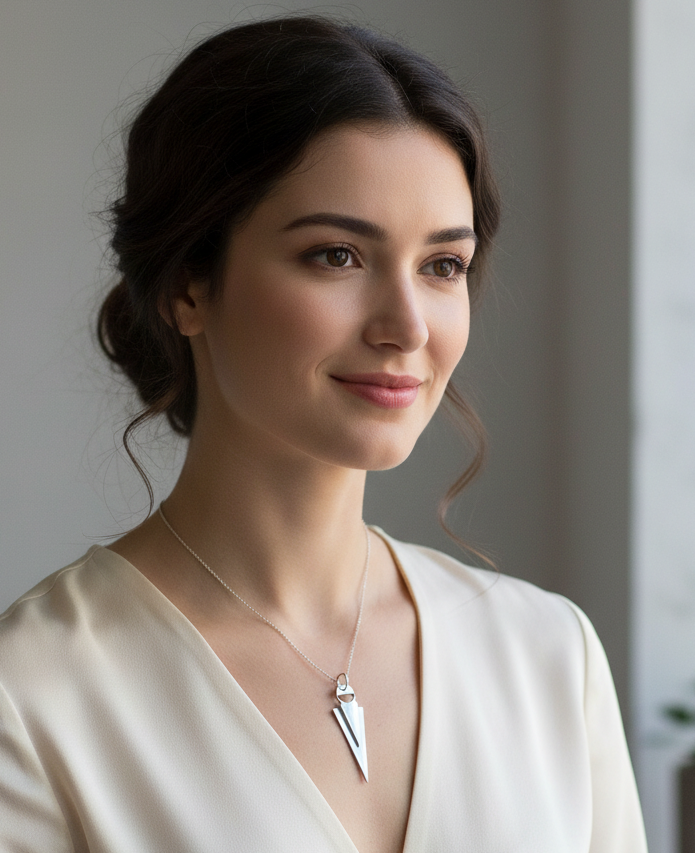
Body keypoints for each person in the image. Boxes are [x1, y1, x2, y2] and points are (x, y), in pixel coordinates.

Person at [0, 16, 647, 853]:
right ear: (188, 285)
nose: (407, 325)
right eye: (337, 255)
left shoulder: (548, 658)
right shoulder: (34, 698)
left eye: (442, 265)